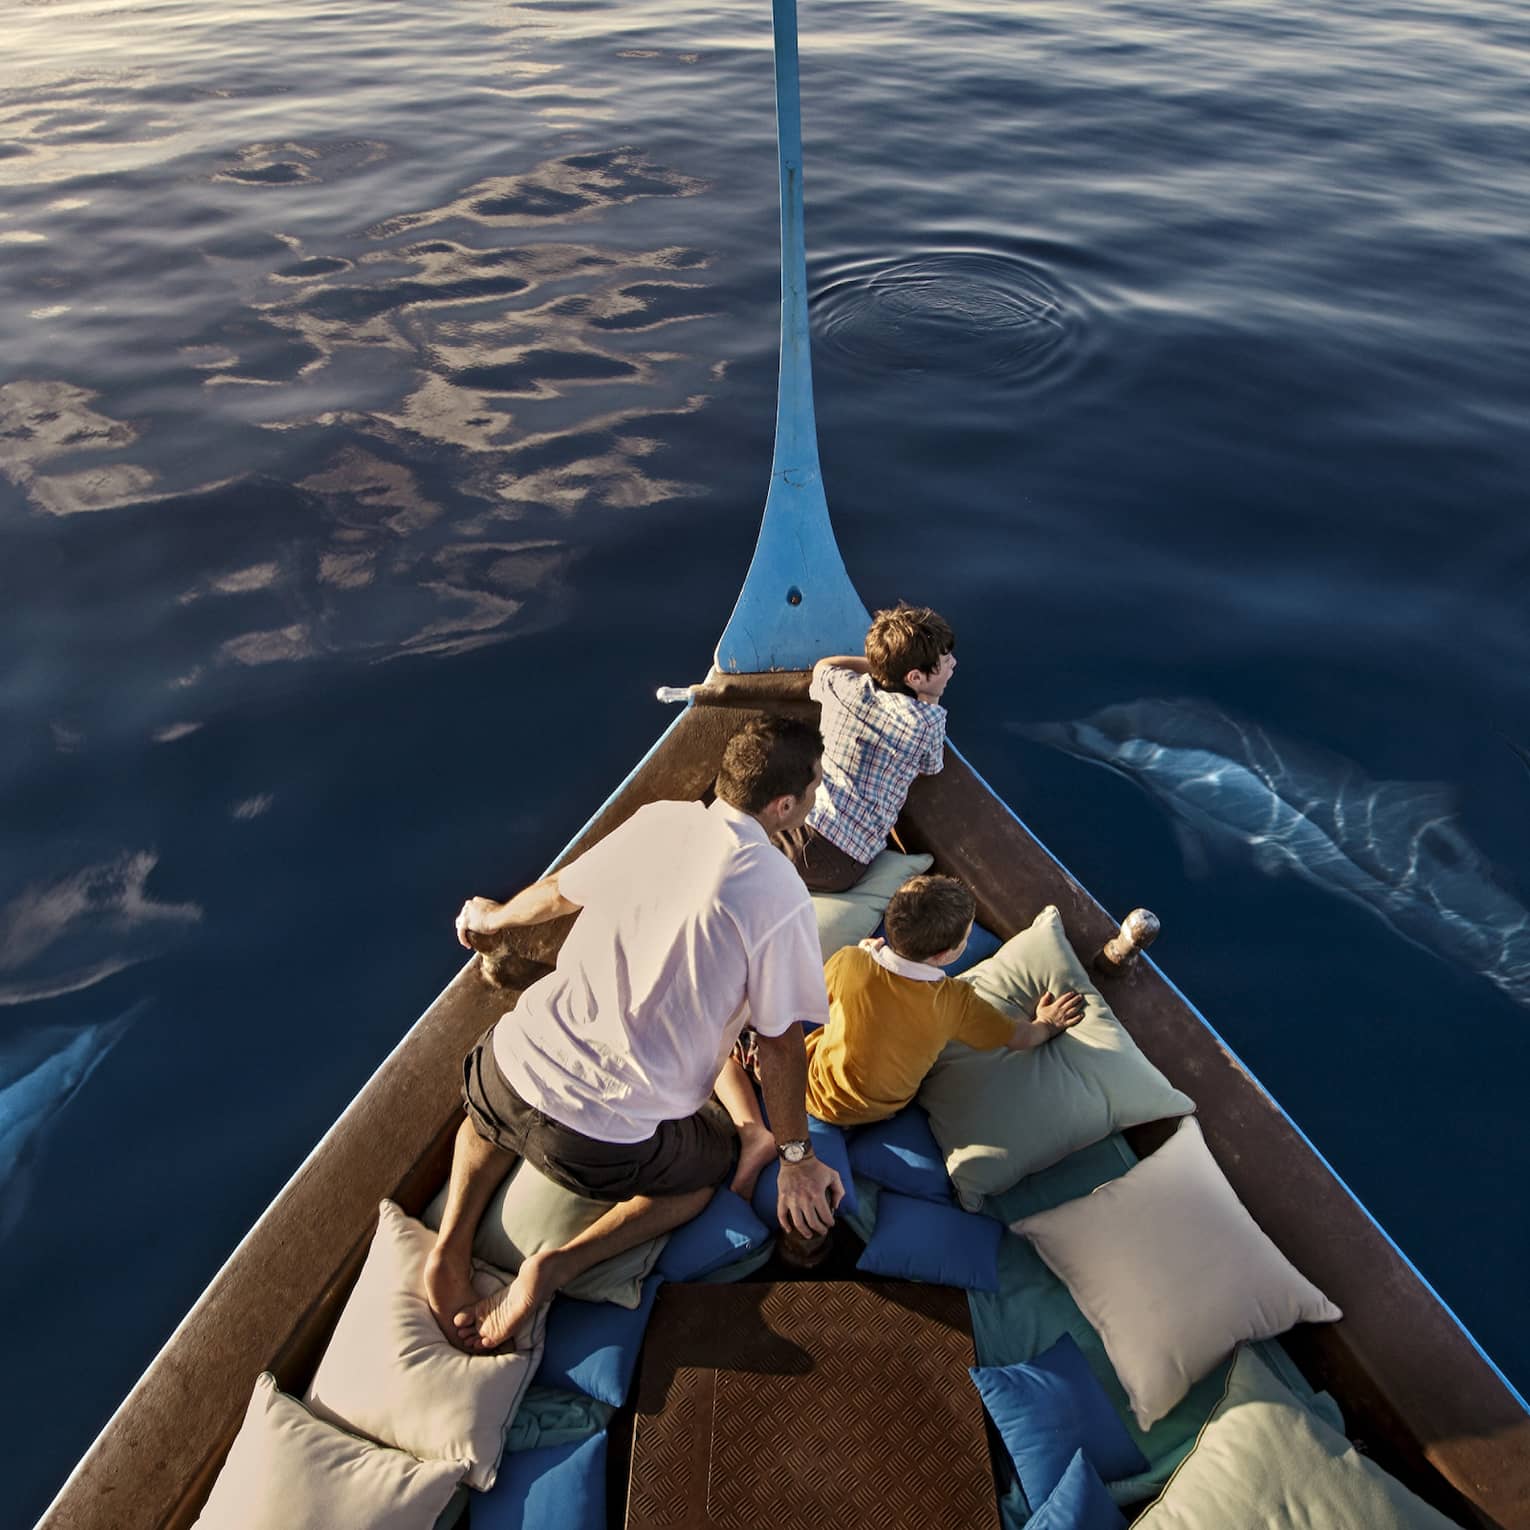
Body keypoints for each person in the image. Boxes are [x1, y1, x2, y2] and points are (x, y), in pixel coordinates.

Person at [425, 715, 844, 1353]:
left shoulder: (660, 820)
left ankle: (451, 1242)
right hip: (594, 1147)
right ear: (783, 805)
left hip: (503, 1073)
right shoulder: (778, 889)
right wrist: (796, 1160)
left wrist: (494, 917)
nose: (816, 796)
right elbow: (781, 1043)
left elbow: (560, 893)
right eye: (814, 786)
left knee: (486, 1116)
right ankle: (555, 1266)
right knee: (702, 1177)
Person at [802, 874, 1085, 1127]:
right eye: (965, 939)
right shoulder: (956, 1002)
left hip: (814, 1086)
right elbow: (1019, 1038)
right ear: (943, 956)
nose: (967, 941)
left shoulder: (850, 960)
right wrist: (1047, 1024)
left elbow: (820, 996)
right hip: (878, 1109)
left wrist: (863, 953)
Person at [788, 603, 956, 893]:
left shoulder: (845, 688)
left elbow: (824, 667)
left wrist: (883, 665)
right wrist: (932, 699)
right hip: (841, 864)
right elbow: (932, 766)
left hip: (798, 825)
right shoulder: (927, 721)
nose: (953, 663)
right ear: (914, 677)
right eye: (945, 661)